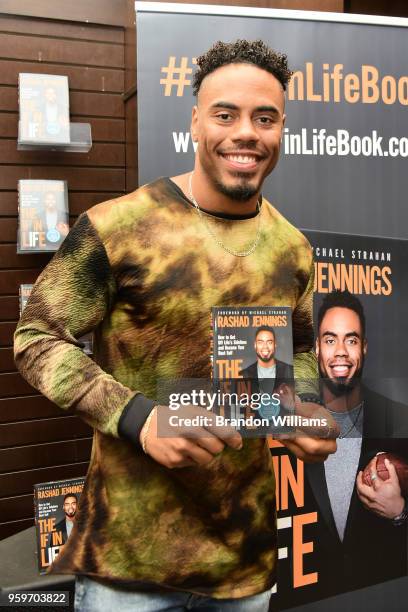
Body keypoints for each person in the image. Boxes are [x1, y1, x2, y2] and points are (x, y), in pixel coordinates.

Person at [14, 40, 336, 612]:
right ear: (195, 122)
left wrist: (300, 406)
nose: (246, 133)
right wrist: (138, 419)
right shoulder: (120, 226)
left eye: (265, 118)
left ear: (281, 129)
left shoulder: (294, 250)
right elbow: (36, 339)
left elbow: (304, 350)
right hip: (129, 567)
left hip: (244, 561)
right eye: (225, 114)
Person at [278, 290, 407, 606]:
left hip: (377, 597)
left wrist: (400, 513)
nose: (341, 352)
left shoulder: (399, 419)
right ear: (316, 350)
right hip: (307, 599)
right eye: (330, 339)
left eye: (351, 340)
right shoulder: (287, 422)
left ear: (363, 348)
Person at [240, 326, 293, 393]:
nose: (265, 346)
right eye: (260, 342)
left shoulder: (289, 371)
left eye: (269, 342)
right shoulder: (244, 375)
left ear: (275, 344)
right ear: (255, 345)